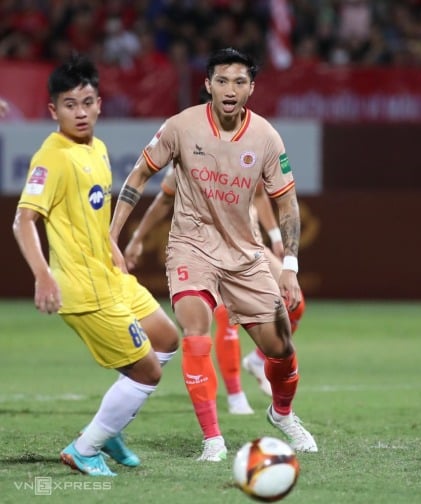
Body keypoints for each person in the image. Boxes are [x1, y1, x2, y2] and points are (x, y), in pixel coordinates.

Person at [109, 47, 317, 461]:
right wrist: (114, 239)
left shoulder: (266, 137)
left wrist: (289, 266)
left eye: (240, 81)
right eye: (222, 80)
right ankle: (213, 439)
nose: (230, 89)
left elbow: (286, 202)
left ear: (252, 89)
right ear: (207, 84)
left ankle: (282, 413)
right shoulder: (181, 127)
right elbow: (140, 176)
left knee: (281, 349)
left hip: (246, 256)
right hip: (192, 248)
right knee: (196, 334)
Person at [12, 55, 179, 476]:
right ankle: (86, 447)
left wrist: (111, 243)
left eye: (87, 102)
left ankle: (113, 423)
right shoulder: (53, 158)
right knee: (148, 373)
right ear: (53, 111)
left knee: (167, 337)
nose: (80, 112)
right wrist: (43, 276)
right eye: (70, 104)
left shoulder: (99, 149)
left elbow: (91, 211)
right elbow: (23, 220)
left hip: (108, 274)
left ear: (100, 103)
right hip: (83, 290)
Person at [123, 168, 307, 412]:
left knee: (295, 303)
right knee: (225, 316)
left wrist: (274, 235)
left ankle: (257, 360)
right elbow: (164, 198)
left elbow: (260, 194)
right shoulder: (191, 148)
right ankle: (235, 395)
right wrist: (137, 237)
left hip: (250, 246)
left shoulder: (251, 144)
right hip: (209, 250)